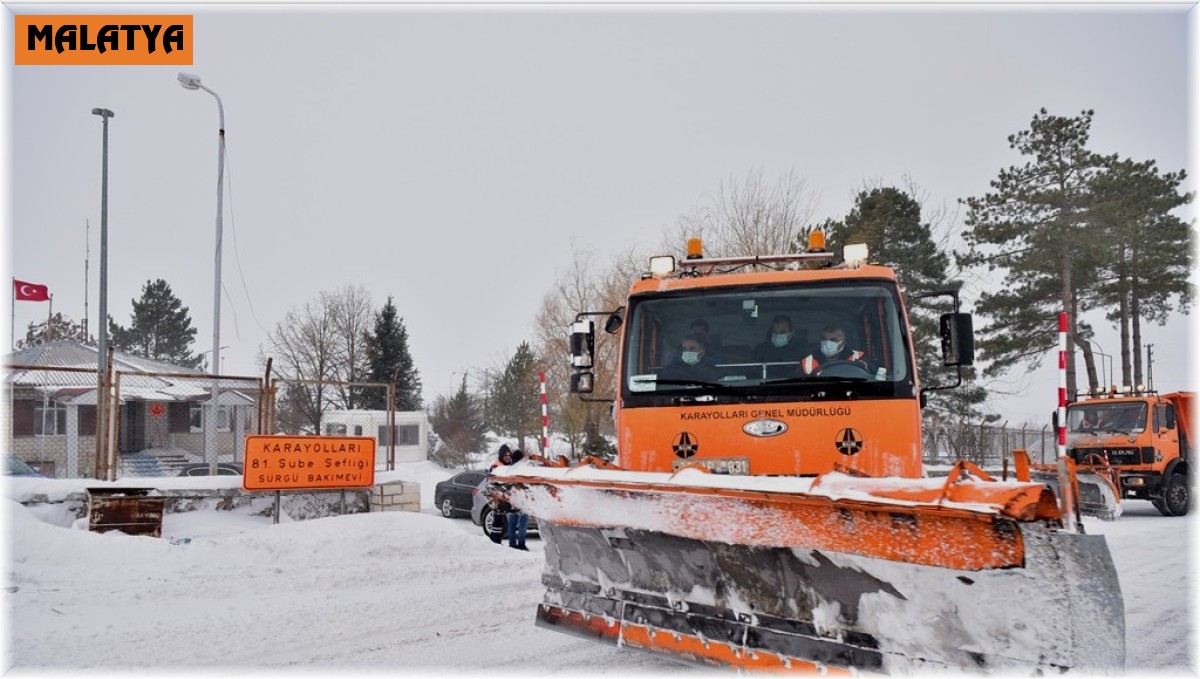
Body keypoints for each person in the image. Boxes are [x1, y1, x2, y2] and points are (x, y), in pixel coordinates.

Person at [799, 323, 867, 375]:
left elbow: (870, 376)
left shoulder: (859, 357)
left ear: (843, 342)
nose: (828, 343)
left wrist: (864, 366)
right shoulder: (807, 362)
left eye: (833, 340)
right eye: (825, 339)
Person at [506, 449, 530, 551]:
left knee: (512, 522)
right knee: (523, 521)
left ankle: (512, 543)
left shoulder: (510, 468)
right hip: (522, 498)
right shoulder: (522, 468)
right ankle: (521, 543)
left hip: (512, 498)